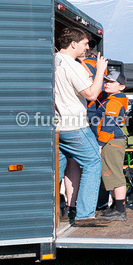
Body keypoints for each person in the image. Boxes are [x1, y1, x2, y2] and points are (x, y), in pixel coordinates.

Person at [54, 28, 108, 226]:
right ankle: (84, 215)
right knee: (93, 163)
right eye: (85, 44)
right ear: (73, 44)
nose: (87, 48)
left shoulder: (53, 61)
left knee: (56, 171)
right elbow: (92, 94)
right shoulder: (71, 65)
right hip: (75, 126)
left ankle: (50, 213)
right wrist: (100, 70)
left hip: (57, 126)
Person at [92, 69, 130, 221]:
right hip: (112, 141)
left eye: (112, 82)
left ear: (121, 87)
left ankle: (120, 210)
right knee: (112, 174)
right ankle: (116, 206)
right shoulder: (111, 100)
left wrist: (100, 144)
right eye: (106, 81)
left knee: (115, 175)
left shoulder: (114, 102)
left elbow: (108, 125)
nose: (107, 84)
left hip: (111, 141)